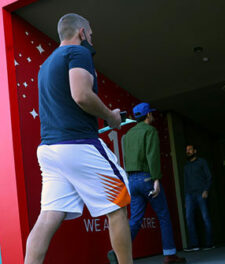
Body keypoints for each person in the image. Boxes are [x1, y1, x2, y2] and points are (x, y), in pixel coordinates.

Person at [24, 14, 133, 264]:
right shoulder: (78, 53)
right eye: (91, 34)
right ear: (82, 32)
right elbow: (81, 95)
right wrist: (111, 117)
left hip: (50, 151)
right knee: (118, 205)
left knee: (48, 217)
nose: (92, 38)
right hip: (78, 146)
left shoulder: (46, 64)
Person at [116, 102, 186, 264]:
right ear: (148, 115)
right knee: (163, 216)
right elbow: (152, 156)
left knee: (135, 220)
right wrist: (156, 179)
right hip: (147, 178)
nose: (153, 115)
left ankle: (117, 252)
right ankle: (170, 255)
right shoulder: (150, 131)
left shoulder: (129, 134)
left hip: (132, 180)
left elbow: (126, 159)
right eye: (151, 113)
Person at [183, 145, 214, 252]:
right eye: (187, 150)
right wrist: (185, 199)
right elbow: (185, 183)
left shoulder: (202, 162)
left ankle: (209, 243)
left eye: (190, 150)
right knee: (189, 218)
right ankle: (194, 244)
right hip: (189, 195)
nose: (188, 151)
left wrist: (206, 190)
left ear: (195, 151)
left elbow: (209, 176)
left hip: (201, 193)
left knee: (205, 217)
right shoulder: (186, 166)